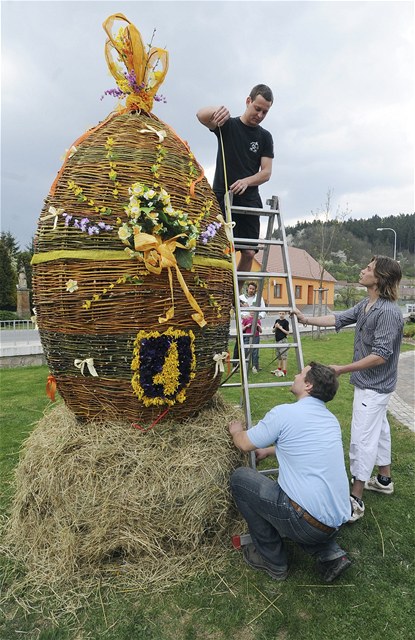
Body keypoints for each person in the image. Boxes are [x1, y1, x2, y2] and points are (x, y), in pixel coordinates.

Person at [292, 256, 404, 523]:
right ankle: (384, 479)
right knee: (380, 431)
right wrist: (304, 319)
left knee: (362, 439)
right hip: (373, 387)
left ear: (379, 279)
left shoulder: (388, 312)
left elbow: (381, 355)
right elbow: (339, 317)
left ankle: (355, 499)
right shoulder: (367, 304)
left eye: (368, 268)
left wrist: (342, 368)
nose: (362, 269)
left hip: (374, 387)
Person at [229, 362, 352, 583]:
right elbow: (304, 446)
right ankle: (329, 554)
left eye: (300, 373)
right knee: (308, 507)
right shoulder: (330, 420)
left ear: (308, 385)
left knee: (240, 479)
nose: (295, 375)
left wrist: (237, 430)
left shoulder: (285, 413)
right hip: (335, 522)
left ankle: (273, 561)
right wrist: (268, 450)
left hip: (303, 520)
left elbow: (245, 444)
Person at [196, 84, 274, 275]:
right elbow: (200, 116)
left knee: (248, 252)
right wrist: (217, 110)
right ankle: (219, 293)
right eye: (257, 109)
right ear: (248, 101)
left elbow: (266, 172)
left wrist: (246, 181)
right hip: (223, 197)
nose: (260, 115)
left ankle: (236, 296)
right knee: (219, 249)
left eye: (265, 111)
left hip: (249, 200)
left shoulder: (265, 137)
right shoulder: (228, 125)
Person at [240, 281, 266, 373]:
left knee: (255, 349)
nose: (251, 290)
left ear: (255, 290)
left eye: (253, 289)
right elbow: (236, 310)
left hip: (255, 325)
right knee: (242, 347)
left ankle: (255, 366)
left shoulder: (259, 298)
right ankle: (241, 366)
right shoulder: (241, 298)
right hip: (244, 325)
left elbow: (263, 310)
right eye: (250, 288)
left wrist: (258, 317)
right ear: (247, 288)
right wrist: (243, 316)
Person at [272, 311, 290, 376]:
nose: (281, 315)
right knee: (278, 356)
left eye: (283, 314)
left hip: (283, 340)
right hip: (277, 341)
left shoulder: (286, 322)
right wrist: (276, 327)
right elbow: (273, 330)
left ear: (285, 314)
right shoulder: (277, 320)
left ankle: (284, 370)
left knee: (284, 356)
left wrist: (280, 328)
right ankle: (279, 369)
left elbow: (287, 332)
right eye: (280, 313)